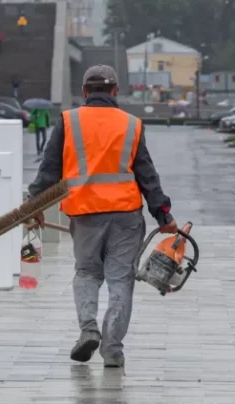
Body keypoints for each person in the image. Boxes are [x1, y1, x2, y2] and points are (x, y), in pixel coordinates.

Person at [27, 65, 177, 369]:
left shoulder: (68, 122)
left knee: (87, 273)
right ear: (115, 92)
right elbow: (147, 175)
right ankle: (112, 350)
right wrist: (164, 216)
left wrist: (34, 207)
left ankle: (88, 328)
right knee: (120, 280)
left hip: (85, 215)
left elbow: (49, 170)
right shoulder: (131, 124)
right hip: (125, 216)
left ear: (84, 92)